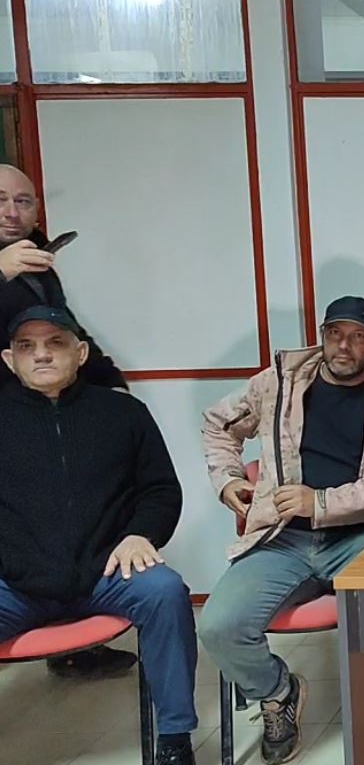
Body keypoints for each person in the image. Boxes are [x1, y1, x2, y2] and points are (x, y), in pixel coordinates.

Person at [198, 296, 364, 765]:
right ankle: (277, 693)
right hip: (282, 538)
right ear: (322, 336)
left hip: (363, 537)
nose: (344, 346)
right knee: (219, 626)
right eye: (334, 334)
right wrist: (228, 480)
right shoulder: (277, 384)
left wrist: (320, 503)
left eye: (358, 336)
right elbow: (217, 424)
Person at [0, 306, 196, 765]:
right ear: (9, 360)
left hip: (108, 573)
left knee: (165, 592)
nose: (42, 355)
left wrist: (141, 534)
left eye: (56, 343)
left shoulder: (123, 413)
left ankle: (174, 740)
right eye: (27, 347)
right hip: (16, 584)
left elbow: (160, 490)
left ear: (81, 353)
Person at [0, 163, 136, 679]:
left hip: (52, 415)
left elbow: (65, 331)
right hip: (9, 424)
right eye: (1, 201)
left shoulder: (40, 265)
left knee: (75, 518)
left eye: (23, 201)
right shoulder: (10, 265)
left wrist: (110, 381)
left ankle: (76, 642)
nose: (12, 212)